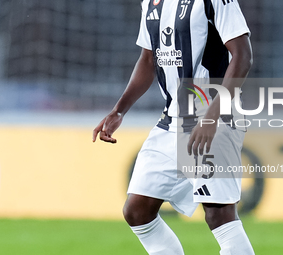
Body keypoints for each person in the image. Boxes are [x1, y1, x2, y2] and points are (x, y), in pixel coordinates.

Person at [93, 0, 254, 254]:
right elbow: (148, 59)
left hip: (215, 114)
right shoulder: (150, 2)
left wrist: (212, 117)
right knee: (137, 211)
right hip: (172, 119)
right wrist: (119, 110)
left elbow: (243, 56)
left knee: (218, 214)